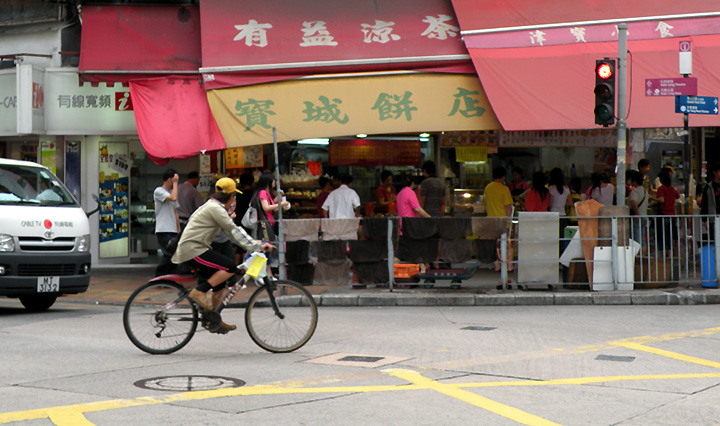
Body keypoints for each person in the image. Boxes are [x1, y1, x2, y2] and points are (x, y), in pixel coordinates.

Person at [171, 177, 274, 334]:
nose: (234, 200)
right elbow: (234, 231)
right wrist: (257, 245)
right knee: (230, 267)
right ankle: (198, 292)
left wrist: (254, 243)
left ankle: (214, 318)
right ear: (230, 196)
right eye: (234, 196)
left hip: (196, 248)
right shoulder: (216, 209)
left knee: (220, 284)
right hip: (193, 250)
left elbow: (231, 233)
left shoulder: (214, 207)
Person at [484, 167, 514, 279]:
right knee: (507, 243)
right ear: (503, 177)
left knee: (494, 243)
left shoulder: (488, 187)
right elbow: (508, 207)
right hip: (502, 220)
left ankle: (496, 265)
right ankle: (509, 265)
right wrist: (510, 220)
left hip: (491, 219)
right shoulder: (504, 189)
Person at [154, 169, 180, 277]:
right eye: (174, 180)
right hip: (163, 229)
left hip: (172, 228)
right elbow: (173, 198)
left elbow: (175, 211)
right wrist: (175, 184)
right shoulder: (159, 191)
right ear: (169, 179)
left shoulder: (171, 192)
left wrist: (178, 228)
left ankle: (170, 276)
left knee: (175, 254)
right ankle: (159, 275)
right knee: (168, 253)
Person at [656, 169, 679, 256]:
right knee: (670, 237)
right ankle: (670, 256)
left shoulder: (661, 189)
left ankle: (663, 257)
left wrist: (653, 198)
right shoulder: (672, 189)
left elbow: (662, 200)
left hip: (663, 215)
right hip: (672, 216)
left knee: (663, 237)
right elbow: (678, 195)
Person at [626, 170, 649, 255]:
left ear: (634, 181)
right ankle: (643, 258)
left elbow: (633, 202)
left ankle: (637, 259)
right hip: (644, 218)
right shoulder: (645, 191)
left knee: (636, 240)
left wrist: (637, 214)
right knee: (642, 240)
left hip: (636, 218)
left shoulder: (634, 192)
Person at [700, 162, 720, 242]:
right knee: (714, 241)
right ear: (714, 172)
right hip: (713, 219)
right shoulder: (708, 188)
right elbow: (704, 204)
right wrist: (704, 220)